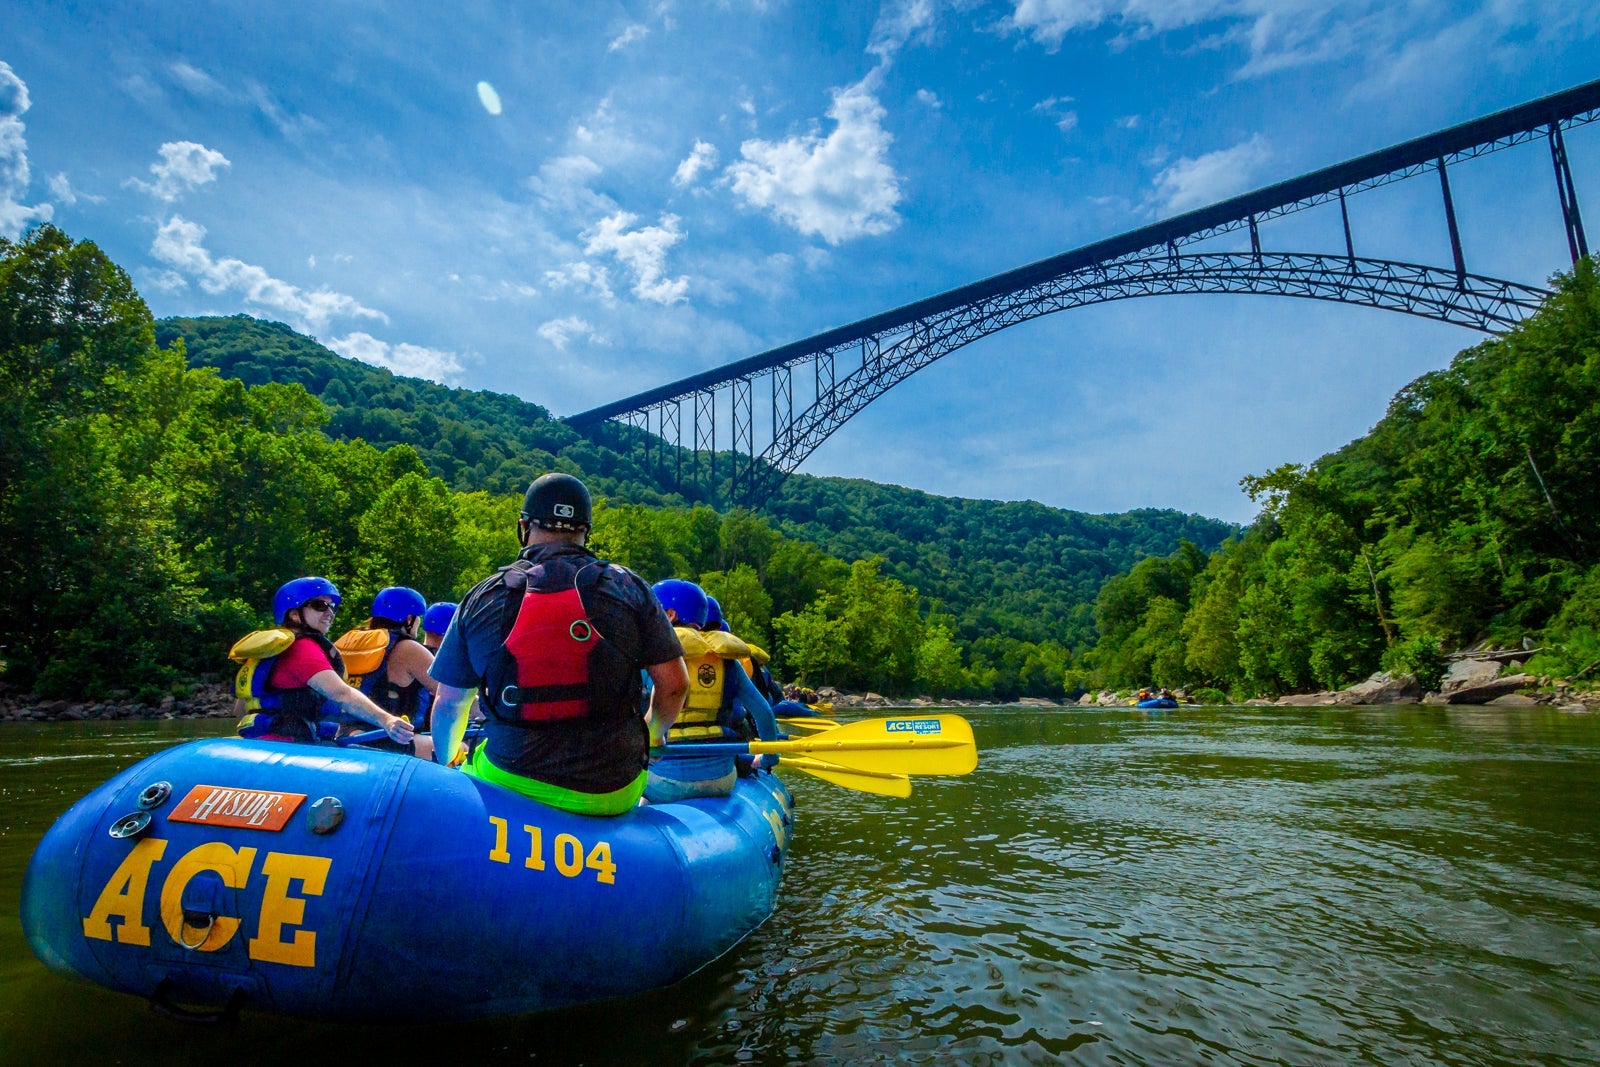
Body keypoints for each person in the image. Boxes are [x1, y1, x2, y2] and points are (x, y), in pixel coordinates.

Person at [427, 473, 688, 816]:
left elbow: (449, 704)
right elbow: (674, 686)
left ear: (523, 526)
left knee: (466, 764)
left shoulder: (483, 595)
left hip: (509, 778)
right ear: (585, 530)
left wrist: (447, 762)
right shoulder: (630, 587)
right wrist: (654, 735)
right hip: (612, 789)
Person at [234, 577, 415, 747]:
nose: (330, 613)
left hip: (262, 739)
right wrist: (386, 720)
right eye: (319, 606)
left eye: (332, 607)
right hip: (286, 742)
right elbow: (341, 694)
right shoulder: (302, 647)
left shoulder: (272, 649)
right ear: (295, 614)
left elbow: (240, 709)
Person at [647, 579, 779, 802]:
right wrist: (768, 758)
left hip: (664, 783)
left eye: (652, 612)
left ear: (670, 615)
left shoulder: (651, 657)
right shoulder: (728, 663)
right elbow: (764, 713)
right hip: (722, 780)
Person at [335, 586, 440, 755]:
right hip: (385, 738)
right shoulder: (408, 648)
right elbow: (451, 693)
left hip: (346, 734)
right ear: (409, 619)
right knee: (460, 747)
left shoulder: (355, 643)